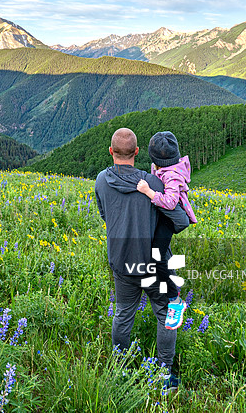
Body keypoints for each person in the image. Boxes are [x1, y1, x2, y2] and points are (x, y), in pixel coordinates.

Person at [94, 128, 189, 394]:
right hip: (153, 263)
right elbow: (180, 221)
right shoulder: (154, 184)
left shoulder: (102, 180)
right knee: (167, 313)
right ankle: (164, 376)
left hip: (122, 261)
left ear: (111, 152)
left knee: (124, 313)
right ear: (137, 152)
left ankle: (120, 369)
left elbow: (105, 215)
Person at [136, 131, 197, 331]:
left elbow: (170, 203)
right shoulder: (165, 168)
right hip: (165, 216)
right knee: (158, 253)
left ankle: (175, 299)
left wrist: (148, 192)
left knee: (157, 256)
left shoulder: (171, 175)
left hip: (170, 219)